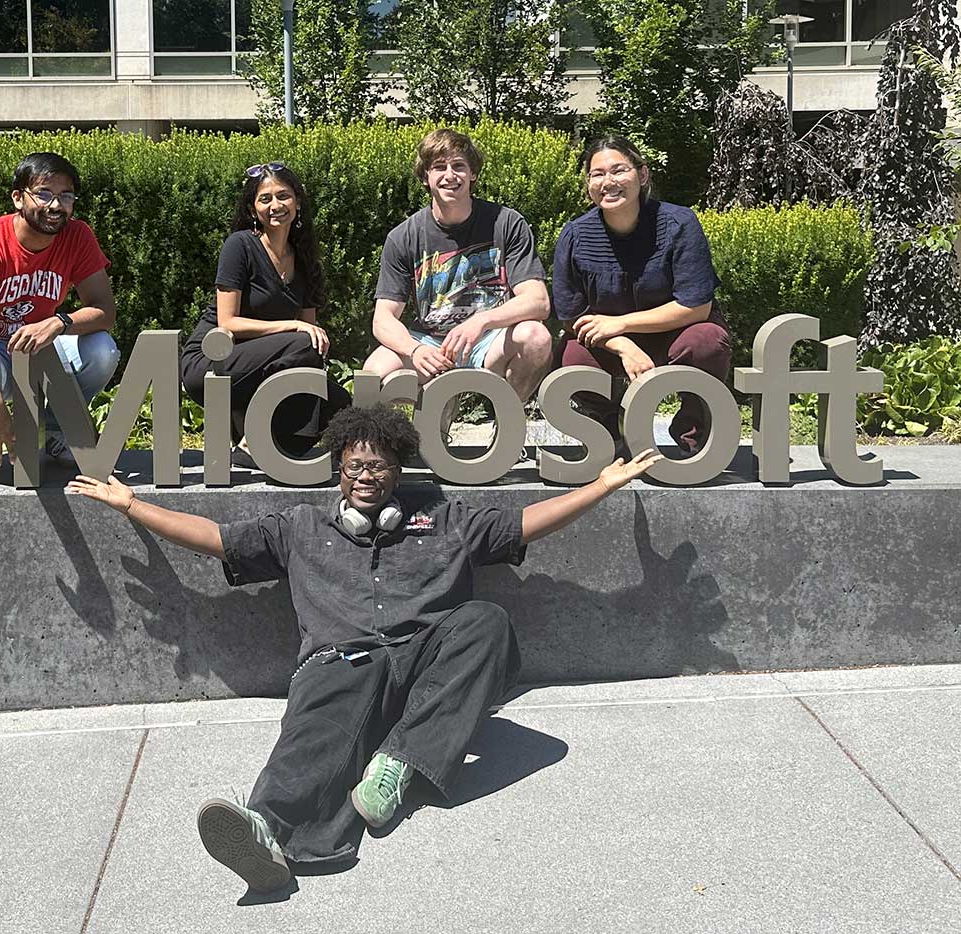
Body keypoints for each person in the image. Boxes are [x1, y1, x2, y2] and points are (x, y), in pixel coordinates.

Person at [68, 405, 659, 892]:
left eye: (378, 467)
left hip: (426, 662)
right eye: (354, 467)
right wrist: (132, 505)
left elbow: (525, 523)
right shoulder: (299, 527)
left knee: (486, 622)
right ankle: (266, 835)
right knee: (316, 731)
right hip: (343, 662)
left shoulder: (444, 518)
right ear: (338, 472)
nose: (366, 477)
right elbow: (219, 541)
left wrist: (600, 486)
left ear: (397, 473)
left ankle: (398, 765)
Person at [551, 136, 732, 455]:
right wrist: (622, 343)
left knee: (707, 340)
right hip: (610, 343)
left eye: (618, 170)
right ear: (588, 183)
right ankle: (607, 425)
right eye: (597, 174)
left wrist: (620, 323)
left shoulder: (679, 223)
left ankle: (695, 428)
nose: (608, 181)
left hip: (675, 333)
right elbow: (570, 315)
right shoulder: (576, 234)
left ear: (643, 175)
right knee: (570, 357)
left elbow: (696, 306)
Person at [0, 152, 121, 471]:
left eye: (65, 196)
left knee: (103, 350)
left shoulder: (77, 236)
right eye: (44, 194)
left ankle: (59, 431)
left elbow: (104, 311)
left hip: (38, 349)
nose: (56, 205)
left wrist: (59, 322)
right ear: (17, 198)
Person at [364, 128, 554, 416]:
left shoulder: (506, 222)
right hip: (431, 341)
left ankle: (506, 422)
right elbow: (383, 319)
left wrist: (482, 321)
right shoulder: (404, 237)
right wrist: (414, 351)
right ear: (425, 177)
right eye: (439, 167)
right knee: (374, 374)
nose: (449, 175)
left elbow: (537, 301)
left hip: (490, 340)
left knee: (536, 338)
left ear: (473, 174)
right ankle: (436, 414)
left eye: (459, 166)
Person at [179, 162, 350, 465]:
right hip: (214, 360)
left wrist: (301, 336)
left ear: (297, 201)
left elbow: (310, 344)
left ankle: (256, 442)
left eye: (283, 196)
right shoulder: (240, 246)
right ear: (252, 208)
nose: (275, 205)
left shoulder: (305, 260)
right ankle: (254, 441)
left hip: (263, 365)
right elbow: (227, 322)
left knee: (337, 400)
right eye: (265, 198)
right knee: (301, 342)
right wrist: (292, 326)